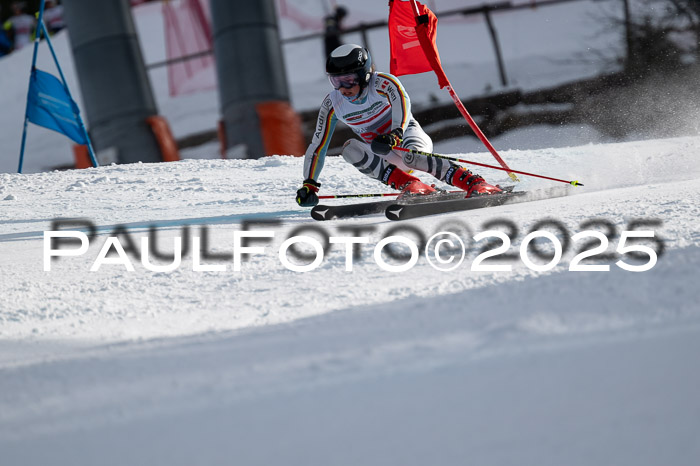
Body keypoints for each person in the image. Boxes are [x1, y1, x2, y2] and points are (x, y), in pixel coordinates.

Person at [296, 44, 502, 207]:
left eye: (348, 80)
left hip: (406, 140)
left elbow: (402, 103)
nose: (342, 88)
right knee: (350, 149)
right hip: (383, 152)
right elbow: (318, 145)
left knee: (412, 156)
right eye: (336, 81)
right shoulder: (333, 103)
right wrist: (310, 183)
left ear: (364, 74)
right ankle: (410, 184)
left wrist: (395, 134)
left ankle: (475, 183)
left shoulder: (383, 83)